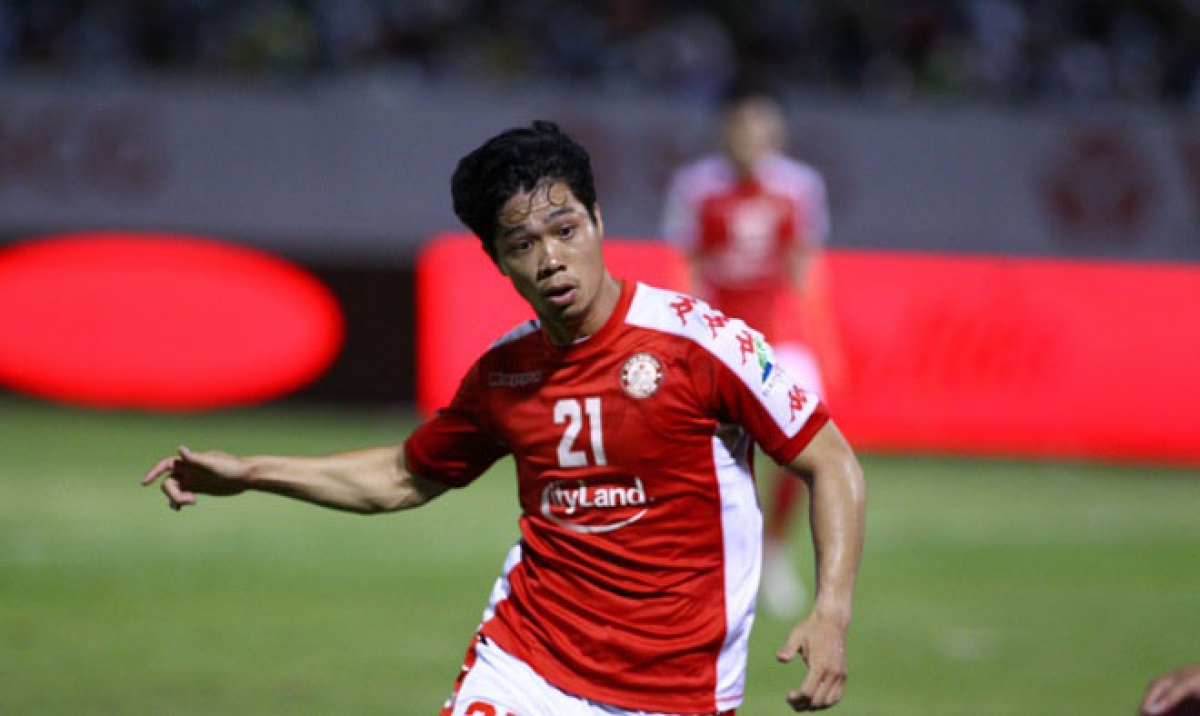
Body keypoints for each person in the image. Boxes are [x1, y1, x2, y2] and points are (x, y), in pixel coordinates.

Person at [141, 120, 867, 715]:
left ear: (598, 221)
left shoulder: (699, 344)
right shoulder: (504, 374)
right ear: (498, 262)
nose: (551, 259)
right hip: (528, 665)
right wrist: (251, 473)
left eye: (565, 229)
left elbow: (829, 460)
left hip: (678, 693)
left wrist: (831, 612)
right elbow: (402, 476)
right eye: (523, 245)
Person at [661, 79, 837, 618]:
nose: (751, 137)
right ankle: (710, 557)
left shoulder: (799, 186)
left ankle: (774, 548)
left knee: (806, 446)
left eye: (761, 126)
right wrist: (684, 334)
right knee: (710, 450)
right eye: (741, 125)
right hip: (720, 336)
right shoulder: (697, 186)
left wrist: (823, 341)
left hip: (780, 337)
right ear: (725, 129)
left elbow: (805, 267)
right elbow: (686, 265)